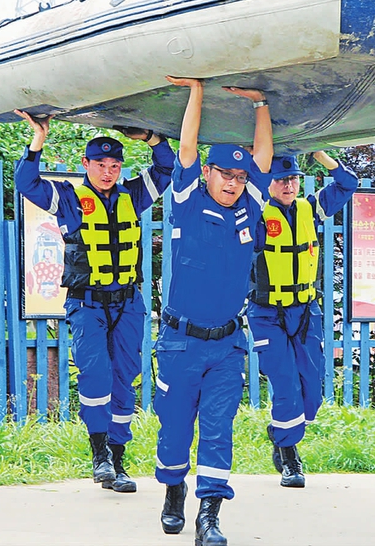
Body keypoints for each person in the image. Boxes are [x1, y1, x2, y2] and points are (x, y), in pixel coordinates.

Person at [14, 111, 174, 493]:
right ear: (85, 164)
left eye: (115, 165)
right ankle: (99, 454)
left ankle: (118, 461)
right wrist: (38, 139)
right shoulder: (68, 199)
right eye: (100, 164)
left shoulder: (132, 196)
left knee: (125, 378)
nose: (108, 172)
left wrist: (151, 136)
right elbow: (25, 181)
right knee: (96, 377)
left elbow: (166, 168)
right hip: (86, 304)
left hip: (127, 303)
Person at [155, 76, 272, 546]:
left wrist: (261, 103)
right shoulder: (185, 200)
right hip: (180, 341)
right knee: (175, 427)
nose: (234, 183)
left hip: (227, 344)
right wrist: (196, 92)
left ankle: (210, 514)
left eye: (241, 177)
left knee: (219, 427)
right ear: (208, 172)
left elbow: (263, 154)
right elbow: (186, 145)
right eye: (225, 174)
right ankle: (172, 490)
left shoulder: (252, 207)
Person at [249, 151, 357, 488]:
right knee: (285, 384)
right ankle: (289, 456)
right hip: (268, 312)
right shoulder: (256, 215)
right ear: (267, 182)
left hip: (307, 310)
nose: (288, 184)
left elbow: (348, 183)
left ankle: (282, 432)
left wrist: (322, 154)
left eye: (293, 178)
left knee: (312, 388)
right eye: (281, 179)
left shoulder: (311, 208)